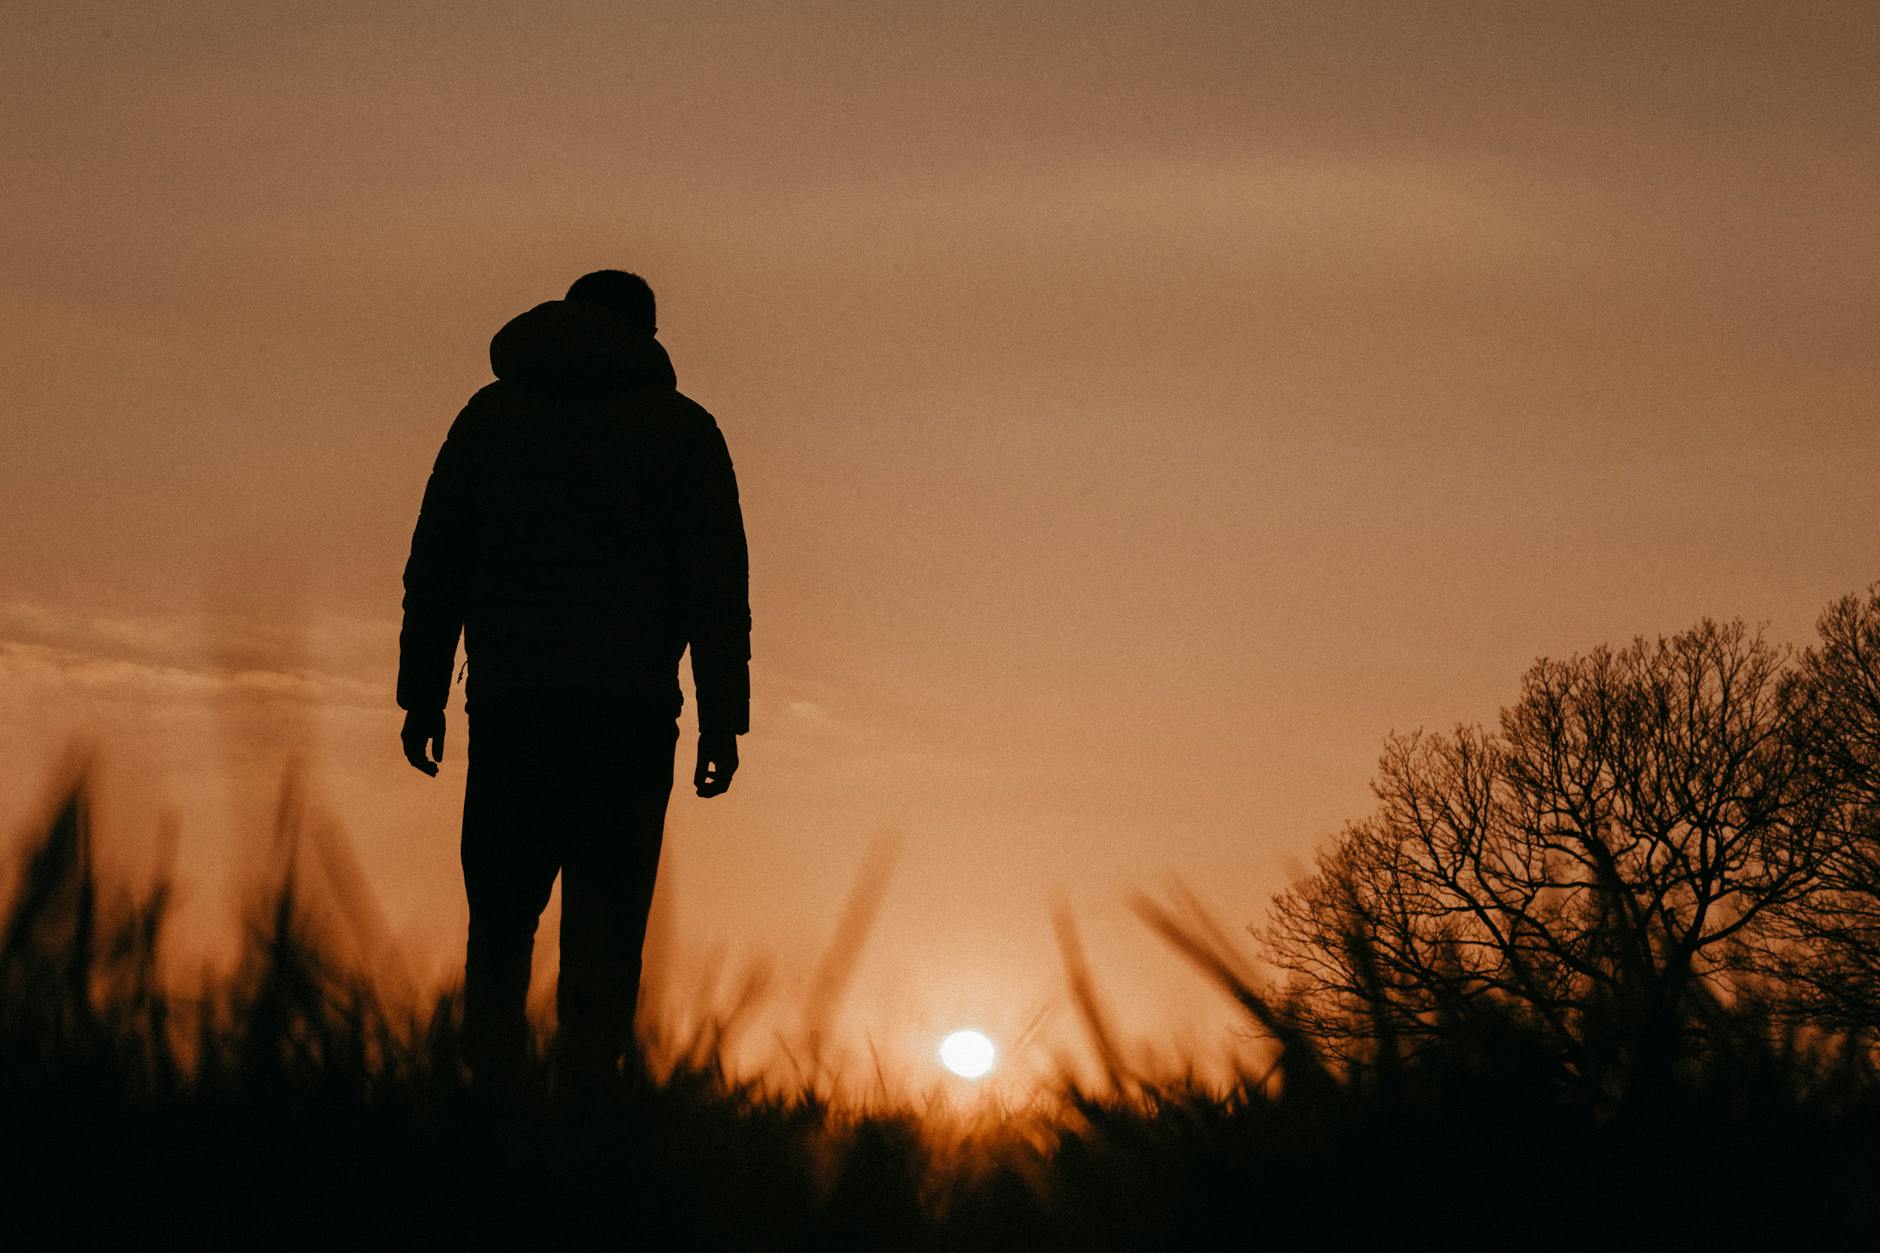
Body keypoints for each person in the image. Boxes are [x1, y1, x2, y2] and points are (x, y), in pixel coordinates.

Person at [395, 269, 750, 1097]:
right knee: (607, 927)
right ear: (648, 335)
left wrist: (422, 693)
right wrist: (721, 720)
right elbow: (715, 585)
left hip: (512, 708)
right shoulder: (679, 430)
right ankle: (587, 1123)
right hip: (626, 719)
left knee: (501, 923)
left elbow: (437, 562)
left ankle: (488, 1112)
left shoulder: (491, 420)